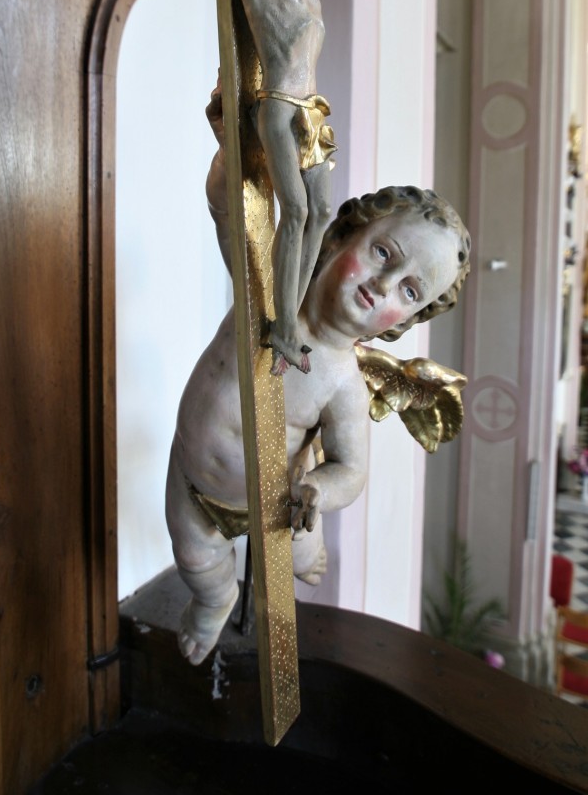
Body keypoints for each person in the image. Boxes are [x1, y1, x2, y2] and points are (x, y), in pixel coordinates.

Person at [164, 80, 471, 667]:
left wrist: (315, 493)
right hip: (192, 479)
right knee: (197, 563)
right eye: (385, 253)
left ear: (404, 320)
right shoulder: (270, 292)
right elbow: (230, 210)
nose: (383, 284)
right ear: (344, 234)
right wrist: (235, 148)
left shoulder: (342, 383)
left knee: (296, 539)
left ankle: (307, 547)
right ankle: (215, 603)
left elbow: (350, 469)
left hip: (271, 500)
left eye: (408, 290)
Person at [73, 0, 349, 377]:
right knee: (297, 213)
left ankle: (294, 313)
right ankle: (282, 329)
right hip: (278, 107)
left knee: (324, 212)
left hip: (314, 112)